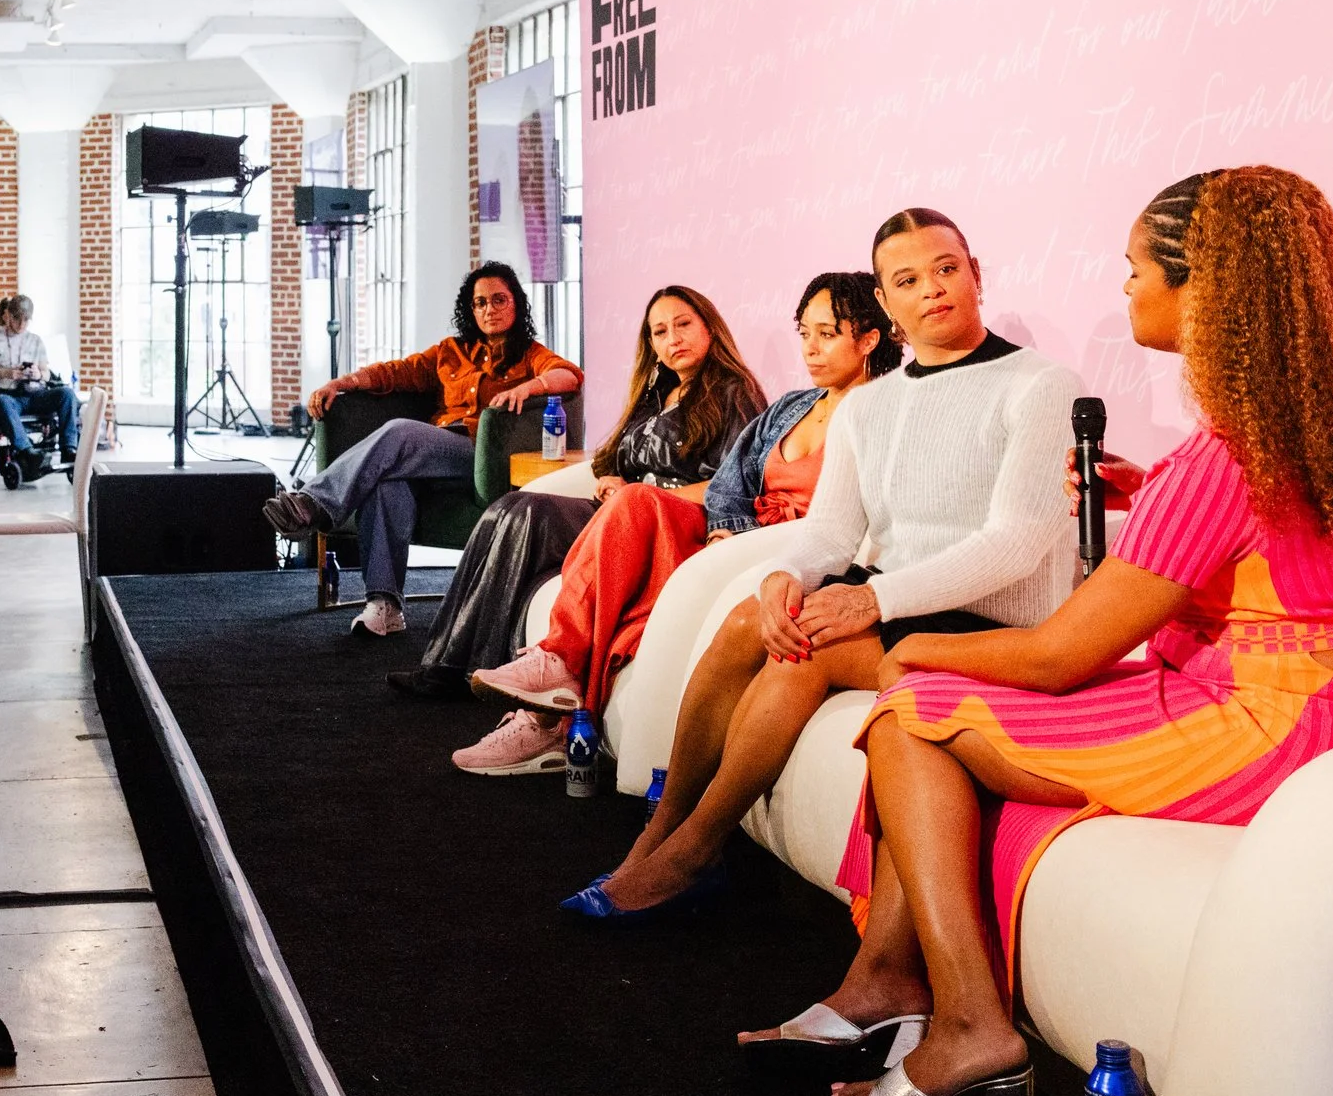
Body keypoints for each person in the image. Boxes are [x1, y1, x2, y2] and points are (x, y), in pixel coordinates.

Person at [750, 171, 1333, 1096]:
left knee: (912, 705)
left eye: (1136, 269)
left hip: (1265, 730)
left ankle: (966, 1018)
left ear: (1205, 287)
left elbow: (1059, 653)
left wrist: (906, 637)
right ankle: (889, 980)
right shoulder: (1303, 424)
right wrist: (1146, 492)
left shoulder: (1220, 459)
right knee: (924, 701)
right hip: (1320, 711)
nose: (1125, 287)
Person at [570, 210, 1079, 920]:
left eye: (947, 268)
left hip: (990, 618)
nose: (933, 288)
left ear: (975, 274)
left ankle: (692, 852)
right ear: (886, 301)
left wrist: (873, 602)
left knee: (805, 652)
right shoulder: (871, 405)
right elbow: (834, 529)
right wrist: (785, 574)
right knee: (753, 613)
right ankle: (665, 829)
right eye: (908, 279)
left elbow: (1016, 542)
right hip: (903, 599)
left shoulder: (1041, 383)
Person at [447, 278, 901, 778]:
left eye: (827, 334)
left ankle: (551, 710)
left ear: (869, 340)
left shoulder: (886, 413)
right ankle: (554, 674)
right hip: (731, 530)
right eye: (804, 333)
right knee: (623, 503)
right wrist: (723, 529)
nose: (810, 349)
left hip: (789, 548)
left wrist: (734, 537)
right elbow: (732, 479)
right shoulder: (795, 406)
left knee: (627, 520)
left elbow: (859, 516)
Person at [386, 283, 765, 707]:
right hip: (619, 511)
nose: (672, 339)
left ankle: (462, 669)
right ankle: (446, 662)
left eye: (683, 325)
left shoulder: (733, 392)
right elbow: (610, 457)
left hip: (668, 522)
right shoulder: (655, 391)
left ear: (709, 328)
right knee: (509, 507)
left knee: (528, 518)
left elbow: (734, 486)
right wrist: (609, 481)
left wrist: (641, 493)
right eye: (660, 332)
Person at [264, 262, 583, 639]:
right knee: (387, 484)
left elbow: (569, 374)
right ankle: (385, 605)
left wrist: (527, 388)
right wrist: (341, 382)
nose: (489, 309)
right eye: (480, 303)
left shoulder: (530, 354)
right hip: (431, 453)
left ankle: (315, 502)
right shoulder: (451, 353)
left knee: (399, 432)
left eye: (499, 300)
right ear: (471, 309)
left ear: (516, 304)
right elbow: (394, 372)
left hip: (478, 455)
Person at [0, 293, 81, 475]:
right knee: (3, 402)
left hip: (34, 393)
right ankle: (26, 451)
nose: (21, 324)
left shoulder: (35, 341)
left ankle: (69, 449)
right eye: (17, 319)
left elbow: (46, 373)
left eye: (26, 320)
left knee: (66, 393)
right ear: (8, 315)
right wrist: (7, 372)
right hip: (7, 394)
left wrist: (38, 374)